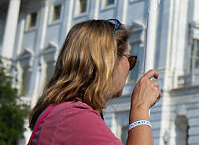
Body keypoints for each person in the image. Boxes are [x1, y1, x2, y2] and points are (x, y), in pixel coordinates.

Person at [28, 19, 161, 145]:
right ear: (108, 62)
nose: (129, 68)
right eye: (130, 60)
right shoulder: (75, 117)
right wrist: (140, 109)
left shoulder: (66, 112)